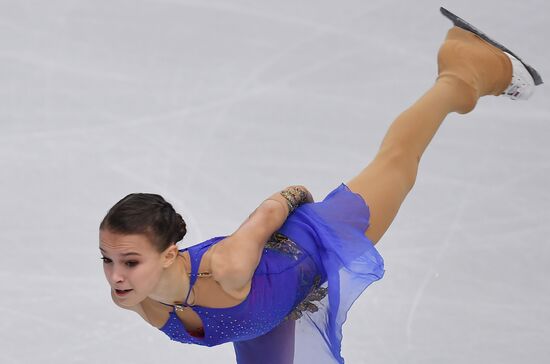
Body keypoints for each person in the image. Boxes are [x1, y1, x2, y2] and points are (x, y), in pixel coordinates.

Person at [98, 8, 542, 364]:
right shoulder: (134, 298)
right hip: (265, 320)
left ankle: (461, 72)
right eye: (108, 259)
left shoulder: (228, 267)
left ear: (170, 252)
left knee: (397, 164)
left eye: (130, 261)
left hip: (313, 241)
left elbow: (270, 211)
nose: (116, 276)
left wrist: (302, 200)